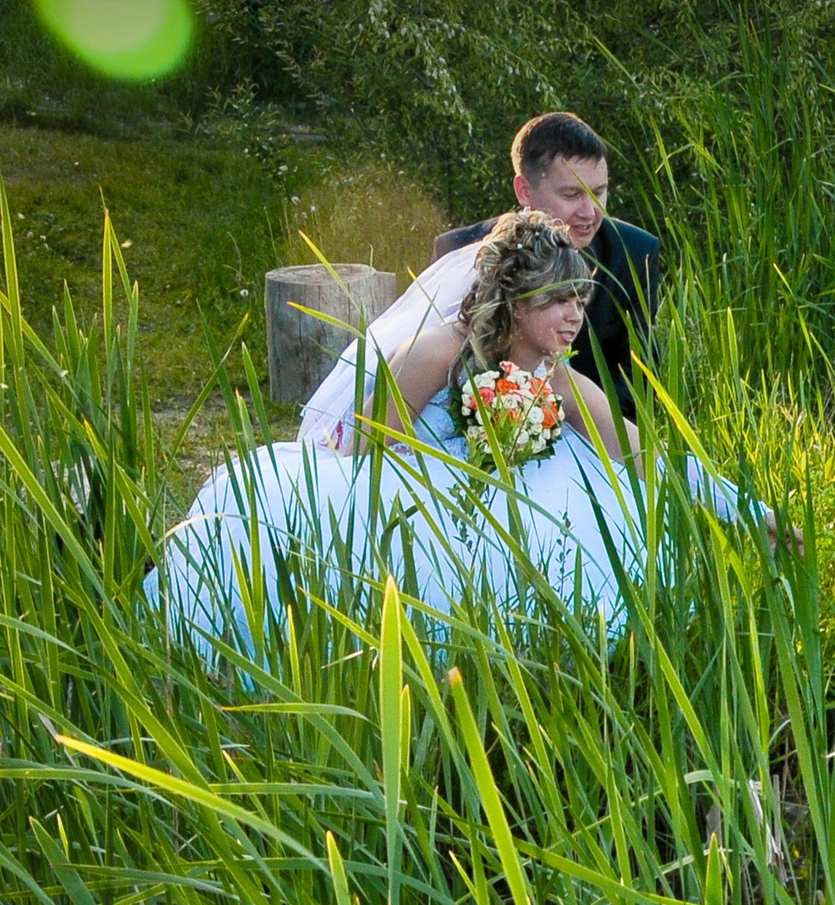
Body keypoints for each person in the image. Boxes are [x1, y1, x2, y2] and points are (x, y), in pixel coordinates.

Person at [152, 212, 761, 648]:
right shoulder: (437, 353)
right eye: (558, 301)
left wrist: (752, 514)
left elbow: (642, 458)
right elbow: (369, 449)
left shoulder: (559, 378)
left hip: (528, 509)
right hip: (425, 496)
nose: (576, 316)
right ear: (516, 304)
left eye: (581, 299)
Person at [298, 112, 658, 451]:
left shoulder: (635, 253)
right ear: (524, 191)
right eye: (571, 194)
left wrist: (542, 423)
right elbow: (370, 446)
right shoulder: (457, 272)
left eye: (599, 192)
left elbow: (638, 398)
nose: (589, 212)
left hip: (572, 443)